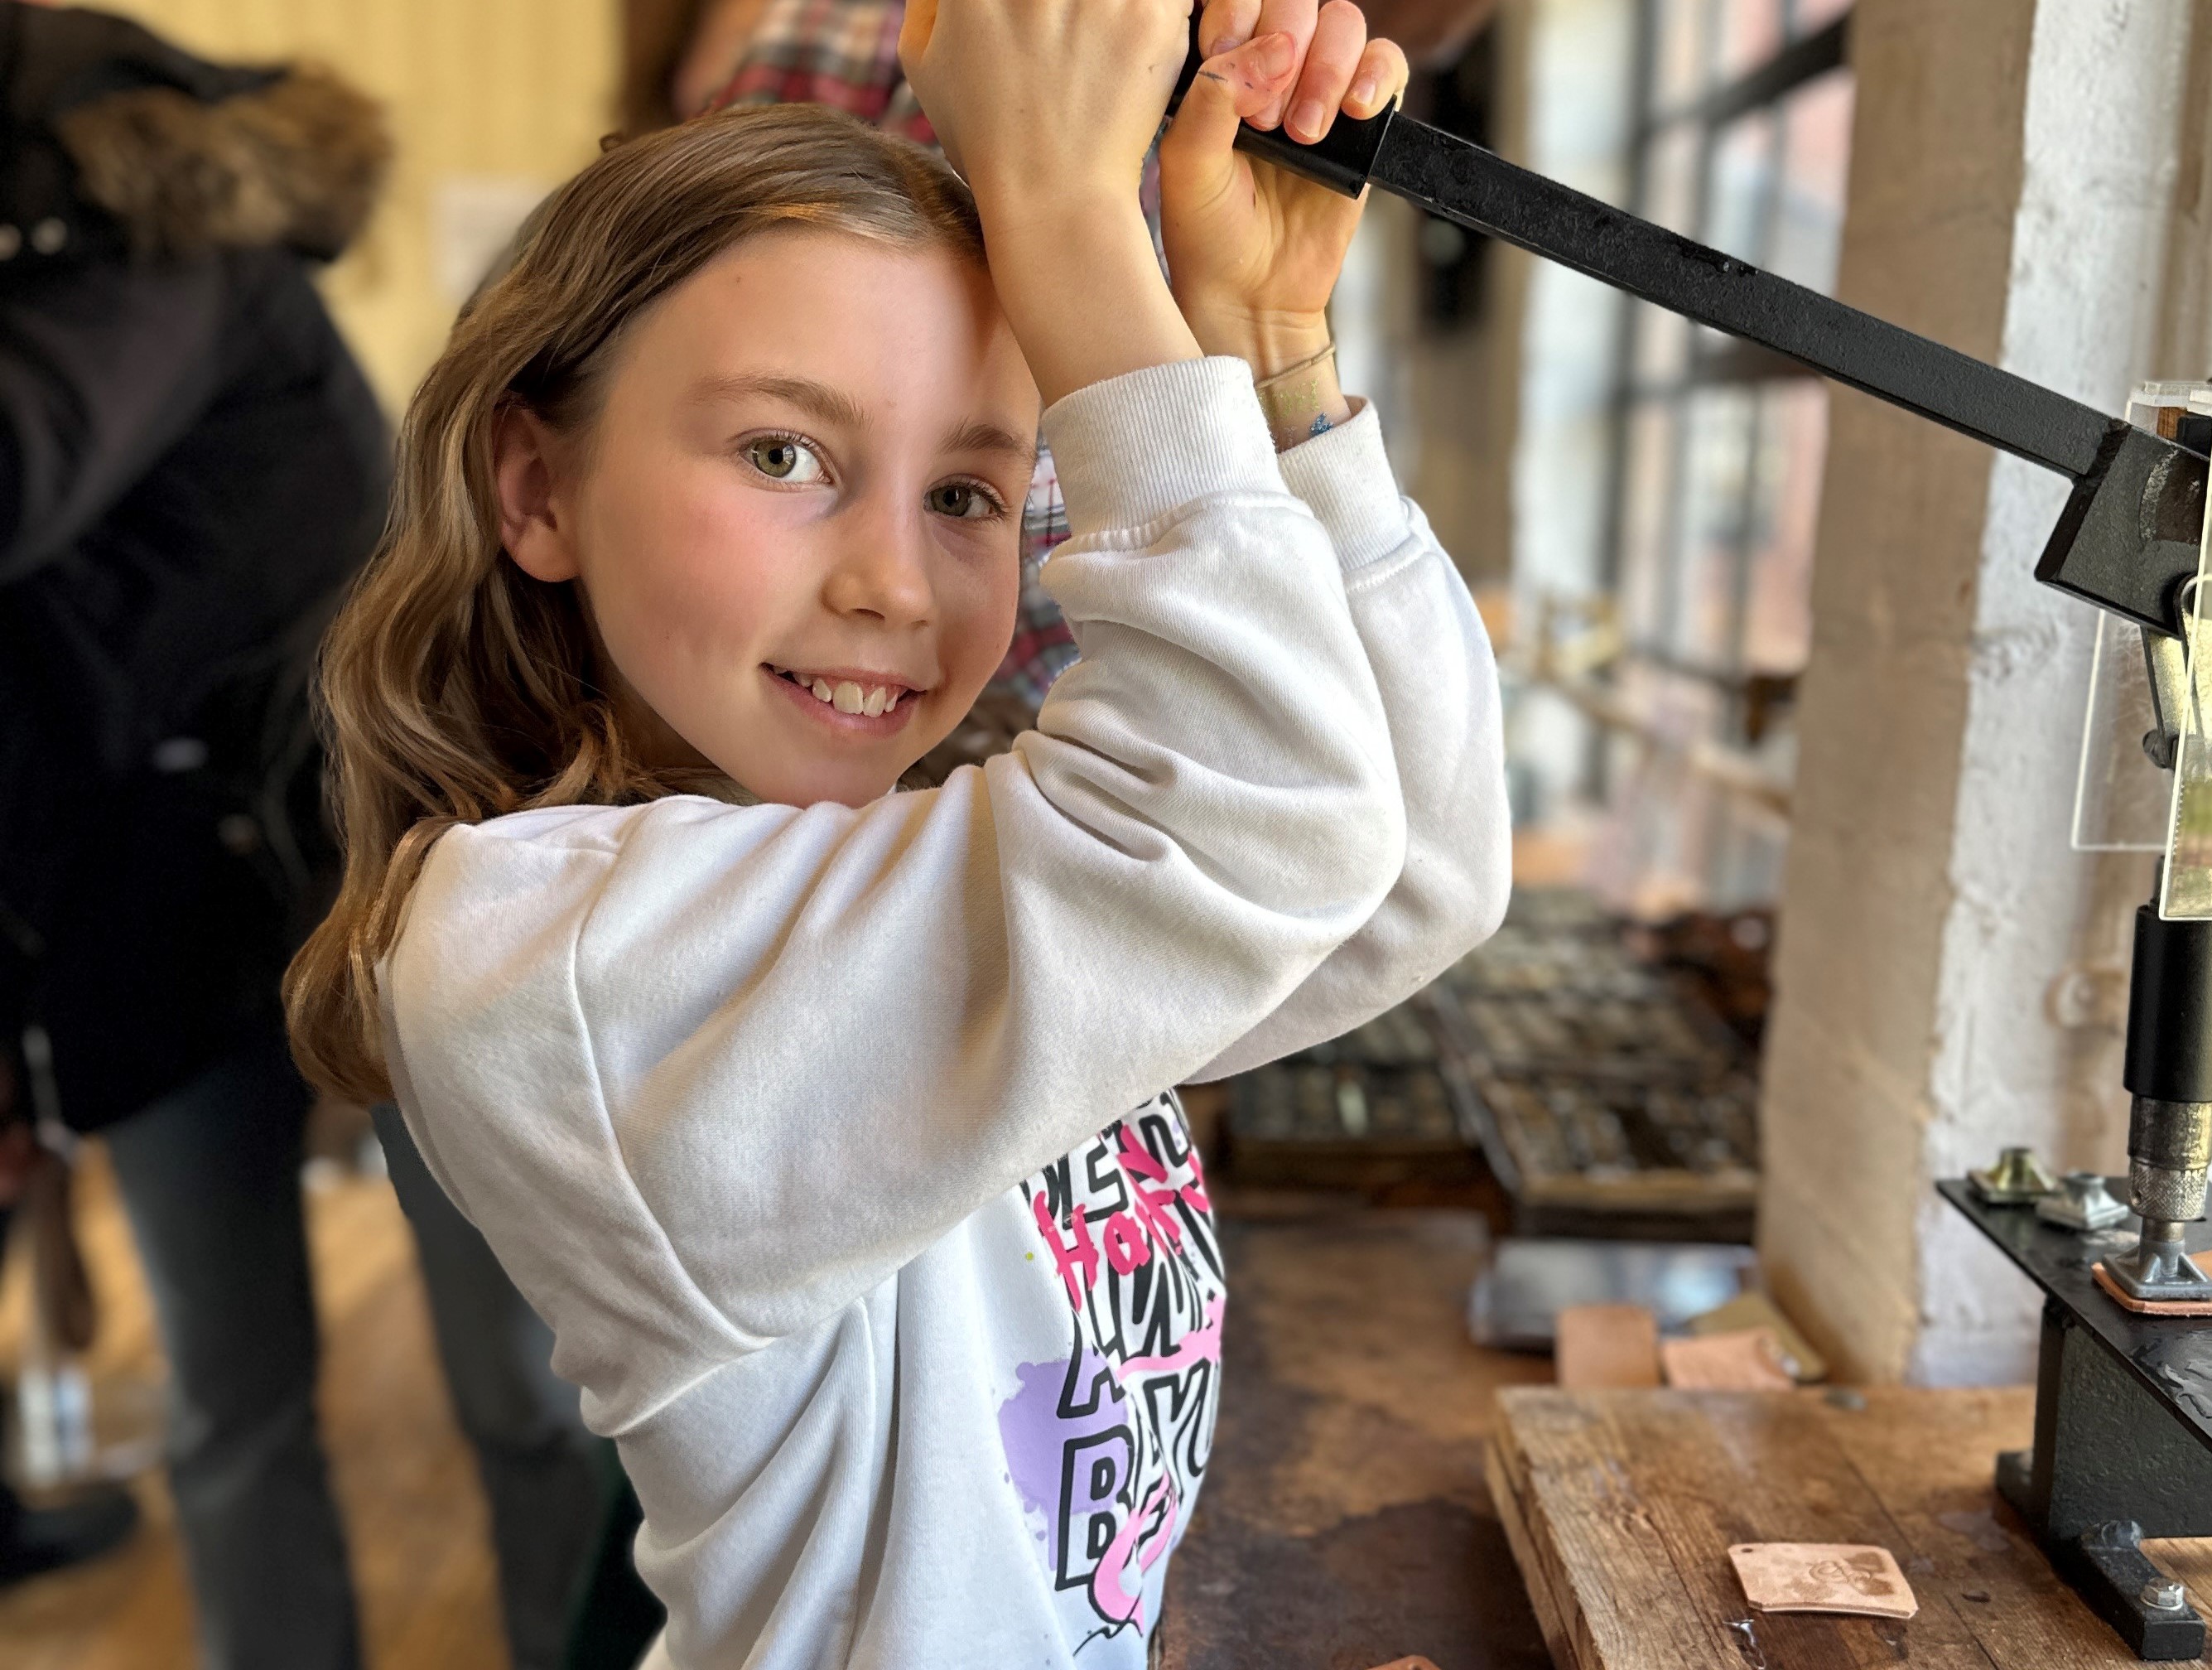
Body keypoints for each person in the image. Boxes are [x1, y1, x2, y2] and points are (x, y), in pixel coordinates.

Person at [284, 2, 1508, 1666]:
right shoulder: (551, 971)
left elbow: (1403, 876)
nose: (895, 585)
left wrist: (1270, 353)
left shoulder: (898, 860)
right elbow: (1276, 820)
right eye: (785, 452)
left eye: (969, 495)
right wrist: (1071, 223)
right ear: (538, 490)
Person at [0, 7, 605, 1665]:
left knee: (518, 1388)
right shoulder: (93, 274)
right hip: (148, 910)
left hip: (393, 882)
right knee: (231, 1398)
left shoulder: (176, 262)